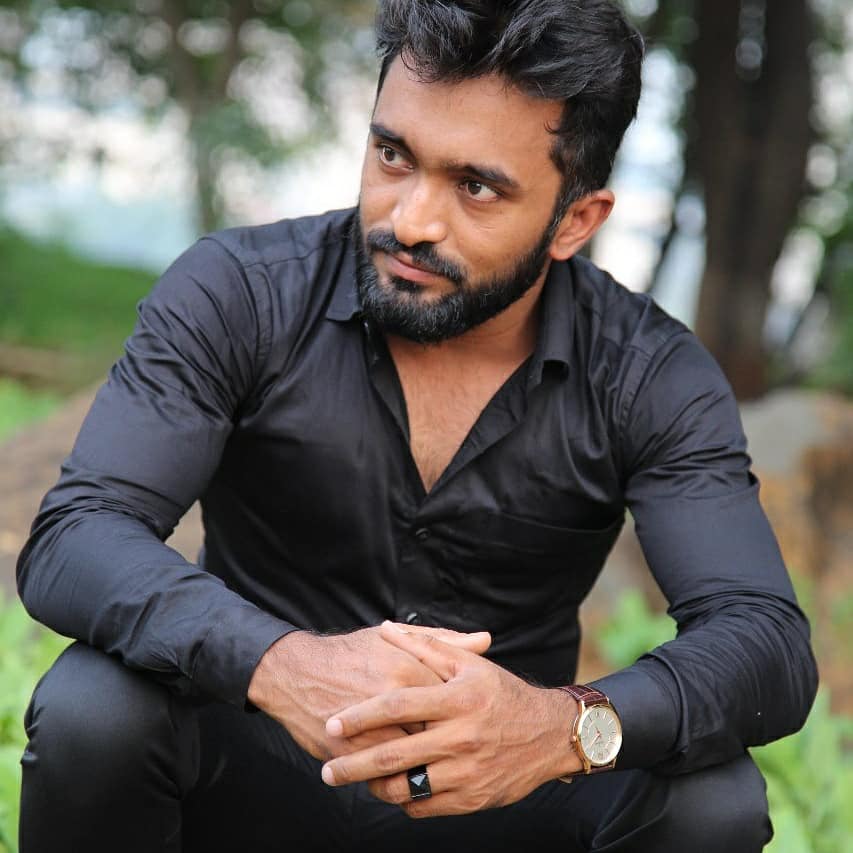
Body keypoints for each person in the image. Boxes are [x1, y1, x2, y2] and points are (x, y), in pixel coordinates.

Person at [16, 1, 817, 851]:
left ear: (574, 221)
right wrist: (278, 661)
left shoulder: (648, 373)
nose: (409, 221)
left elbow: (762, 639)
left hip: (502, 797)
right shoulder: (239, 293)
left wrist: (562, 727)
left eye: (476, 187)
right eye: (393, 155)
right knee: (94, 708)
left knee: (711, 799)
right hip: (250, 763)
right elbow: (77, 534)